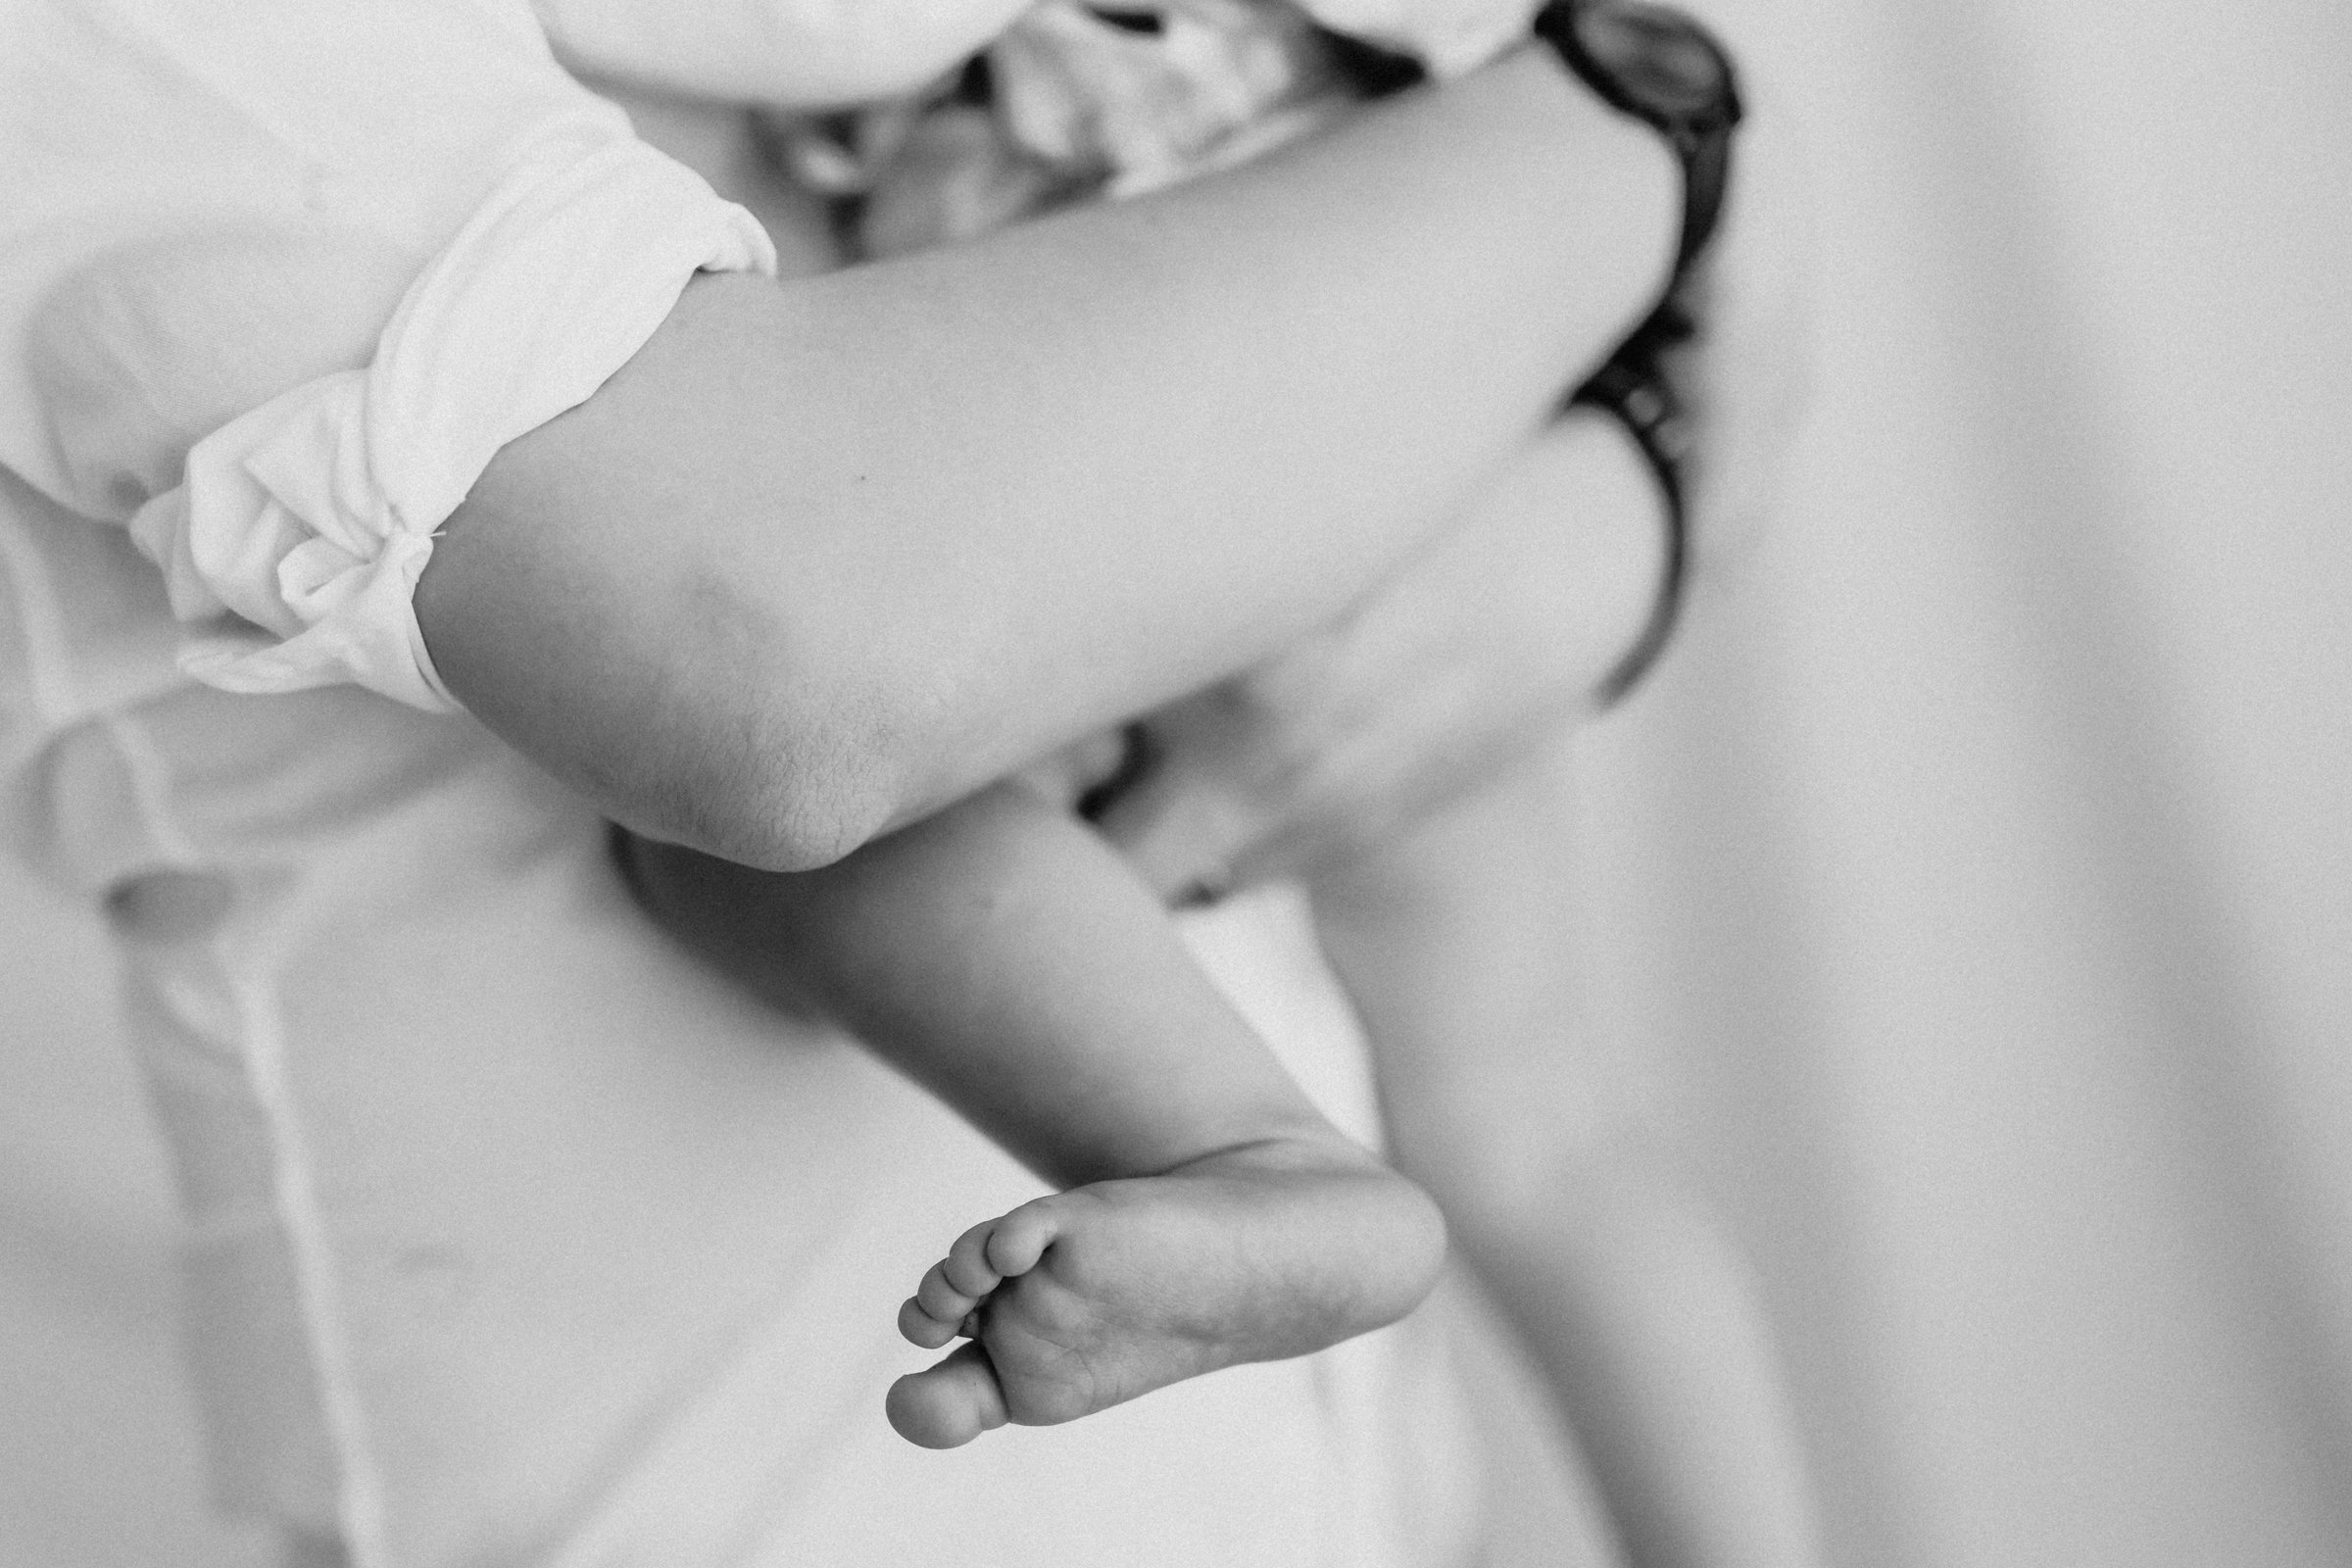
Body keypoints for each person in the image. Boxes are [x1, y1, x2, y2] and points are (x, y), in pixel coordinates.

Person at [1, 1, 1793, 1564]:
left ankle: (1248, 1156)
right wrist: (1677, 196)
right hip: (1330, 393)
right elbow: (771, 650)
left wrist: (1631, 466)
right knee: (1540, 1122)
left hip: (1231, 389)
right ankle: (1262, 1171)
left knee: (786, 848)